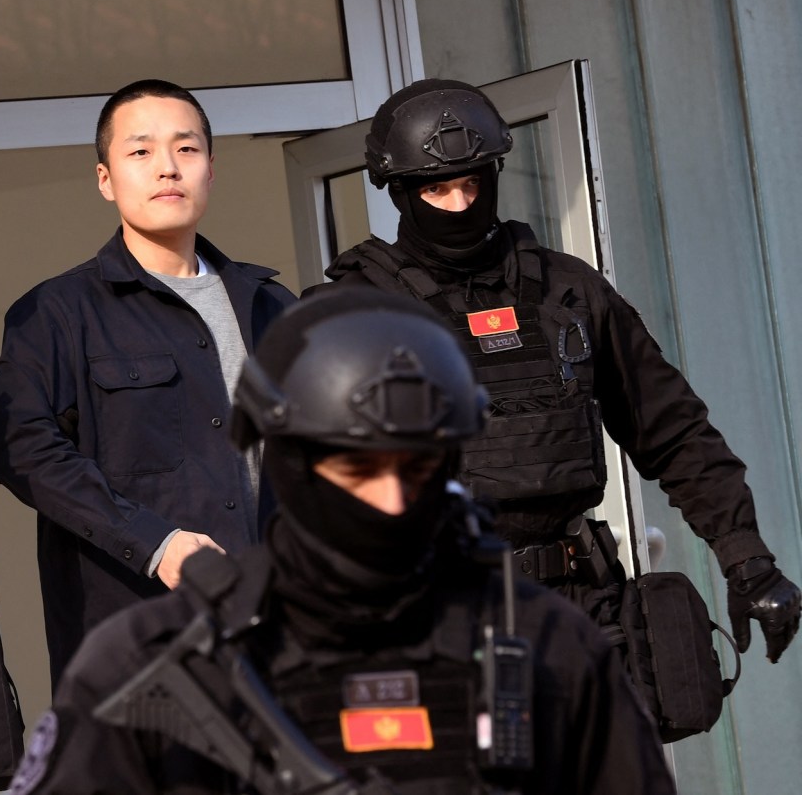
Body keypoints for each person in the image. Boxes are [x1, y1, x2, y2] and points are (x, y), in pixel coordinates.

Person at [4, 287, 676, 795]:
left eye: (414, 469)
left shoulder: (546, 642)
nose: (389, 500)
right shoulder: (154, 662)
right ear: (290, 462)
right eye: (357, 471)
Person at [316, 78, 799, 664]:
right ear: (400, 192)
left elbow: (673, 432)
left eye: (473, 183)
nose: (461, 205)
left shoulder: (569, 290)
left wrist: (746, 560)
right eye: (438, 190)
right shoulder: (349, 313)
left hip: (581, 604)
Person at [0, 79, 296, 684]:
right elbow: (25, 450)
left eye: (186, 149)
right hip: (139, 640)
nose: (167, 169)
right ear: (105, 179)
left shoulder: (271, 306)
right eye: (140, 152)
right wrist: (159, 545)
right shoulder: (57, 313)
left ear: (211, 168)